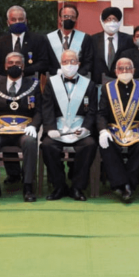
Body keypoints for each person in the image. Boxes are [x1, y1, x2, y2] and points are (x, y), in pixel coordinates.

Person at [0, 52, 42, 204]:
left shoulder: (33, 84)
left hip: (24, 129)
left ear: (23, 66)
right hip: (1, 130)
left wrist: (34, 126)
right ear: (5, 66)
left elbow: (39, 111)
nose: (13, 66)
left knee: (29, 142)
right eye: (10, 63)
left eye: (17, 63)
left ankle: (28, 186)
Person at [40, 49, 98, 201]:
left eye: (73, 61)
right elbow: (47, 108)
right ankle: (59, 186)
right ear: (61, 64)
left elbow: (92, 111)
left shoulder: (89, 84)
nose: (69, 65)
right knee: (47, 145)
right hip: (58, 128)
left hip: (80, 128)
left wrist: (86, 128)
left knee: (89, 145)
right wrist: (50, 129)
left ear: (79, 64)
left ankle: (77, 187)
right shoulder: (52, 83)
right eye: (65, 62)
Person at [97, 57, 139, 203]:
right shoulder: (107, 88)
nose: (125, 71)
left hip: (136, 130)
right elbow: (101, 113)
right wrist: (103, 130)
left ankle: (126, 183)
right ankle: (124, 184)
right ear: (116, 71)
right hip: (114, 130)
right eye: (121, 68)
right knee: (106, 145)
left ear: (134, 71)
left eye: (128, 68)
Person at [0, 5, 50, 78]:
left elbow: (43, 63)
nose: (17, 22)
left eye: (20, 19)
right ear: (8, 22)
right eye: (13, 20)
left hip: (30, 80)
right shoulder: (0, 42)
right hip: (6, 82)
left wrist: (23, 71)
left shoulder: (38, 39)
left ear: (25, 21)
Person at [45, 4, 94, 77]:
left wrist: (76, 75)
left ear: (76, 20)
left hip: (78, 79)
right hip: (55, 78)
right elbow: (45, 62)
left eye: (72, 17)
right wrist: (57, 72)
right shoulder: (48, 38)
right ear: (60, 19)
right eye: (65, 16)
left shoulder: (85, 38)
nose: (69, 19)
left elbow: (89, 62)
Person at [91, 7, 134, 84]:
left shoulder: (128, 39)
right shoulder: (93, 39)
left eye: (115, 19)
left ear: (119, 21)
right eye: (108, 19)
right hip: (98, 83)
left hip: (122, 83)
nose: (112, 22)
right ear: (103, 22)